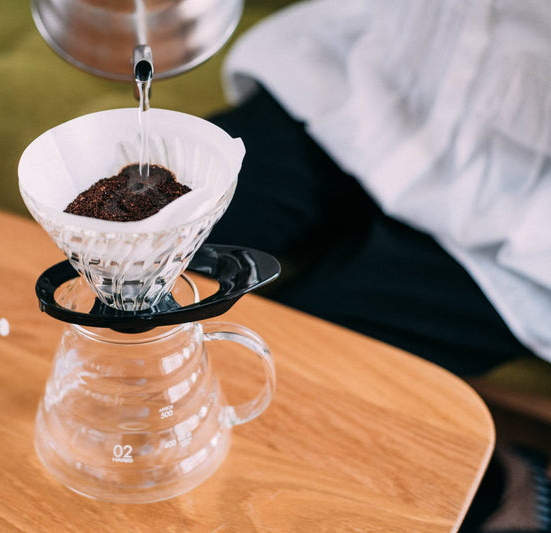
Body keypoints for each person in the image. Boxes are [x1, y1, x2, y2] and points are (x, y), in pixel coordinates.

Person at [206, 1, 551, 531]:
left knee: (282, 395)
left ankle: (502, 491)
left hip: (521, 212)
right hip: (376, 75)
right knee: (116, 261)